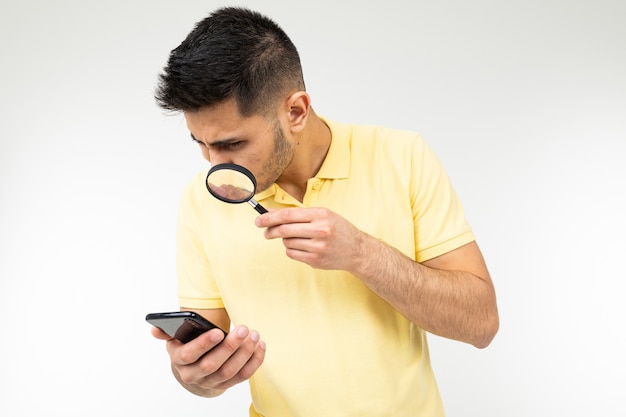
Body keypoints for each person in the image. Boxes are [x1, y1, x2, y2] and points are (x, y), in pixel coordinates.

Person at [151, 6, 499, 417]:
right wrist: (195, 376)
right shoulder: (200, 199)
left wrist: (362, 253)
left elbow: (481, 324)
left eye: (230, 145)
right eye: (201, 144)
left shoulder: (401, 156)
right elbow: (208, 357)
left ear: (295, 111)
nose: (215, 167)